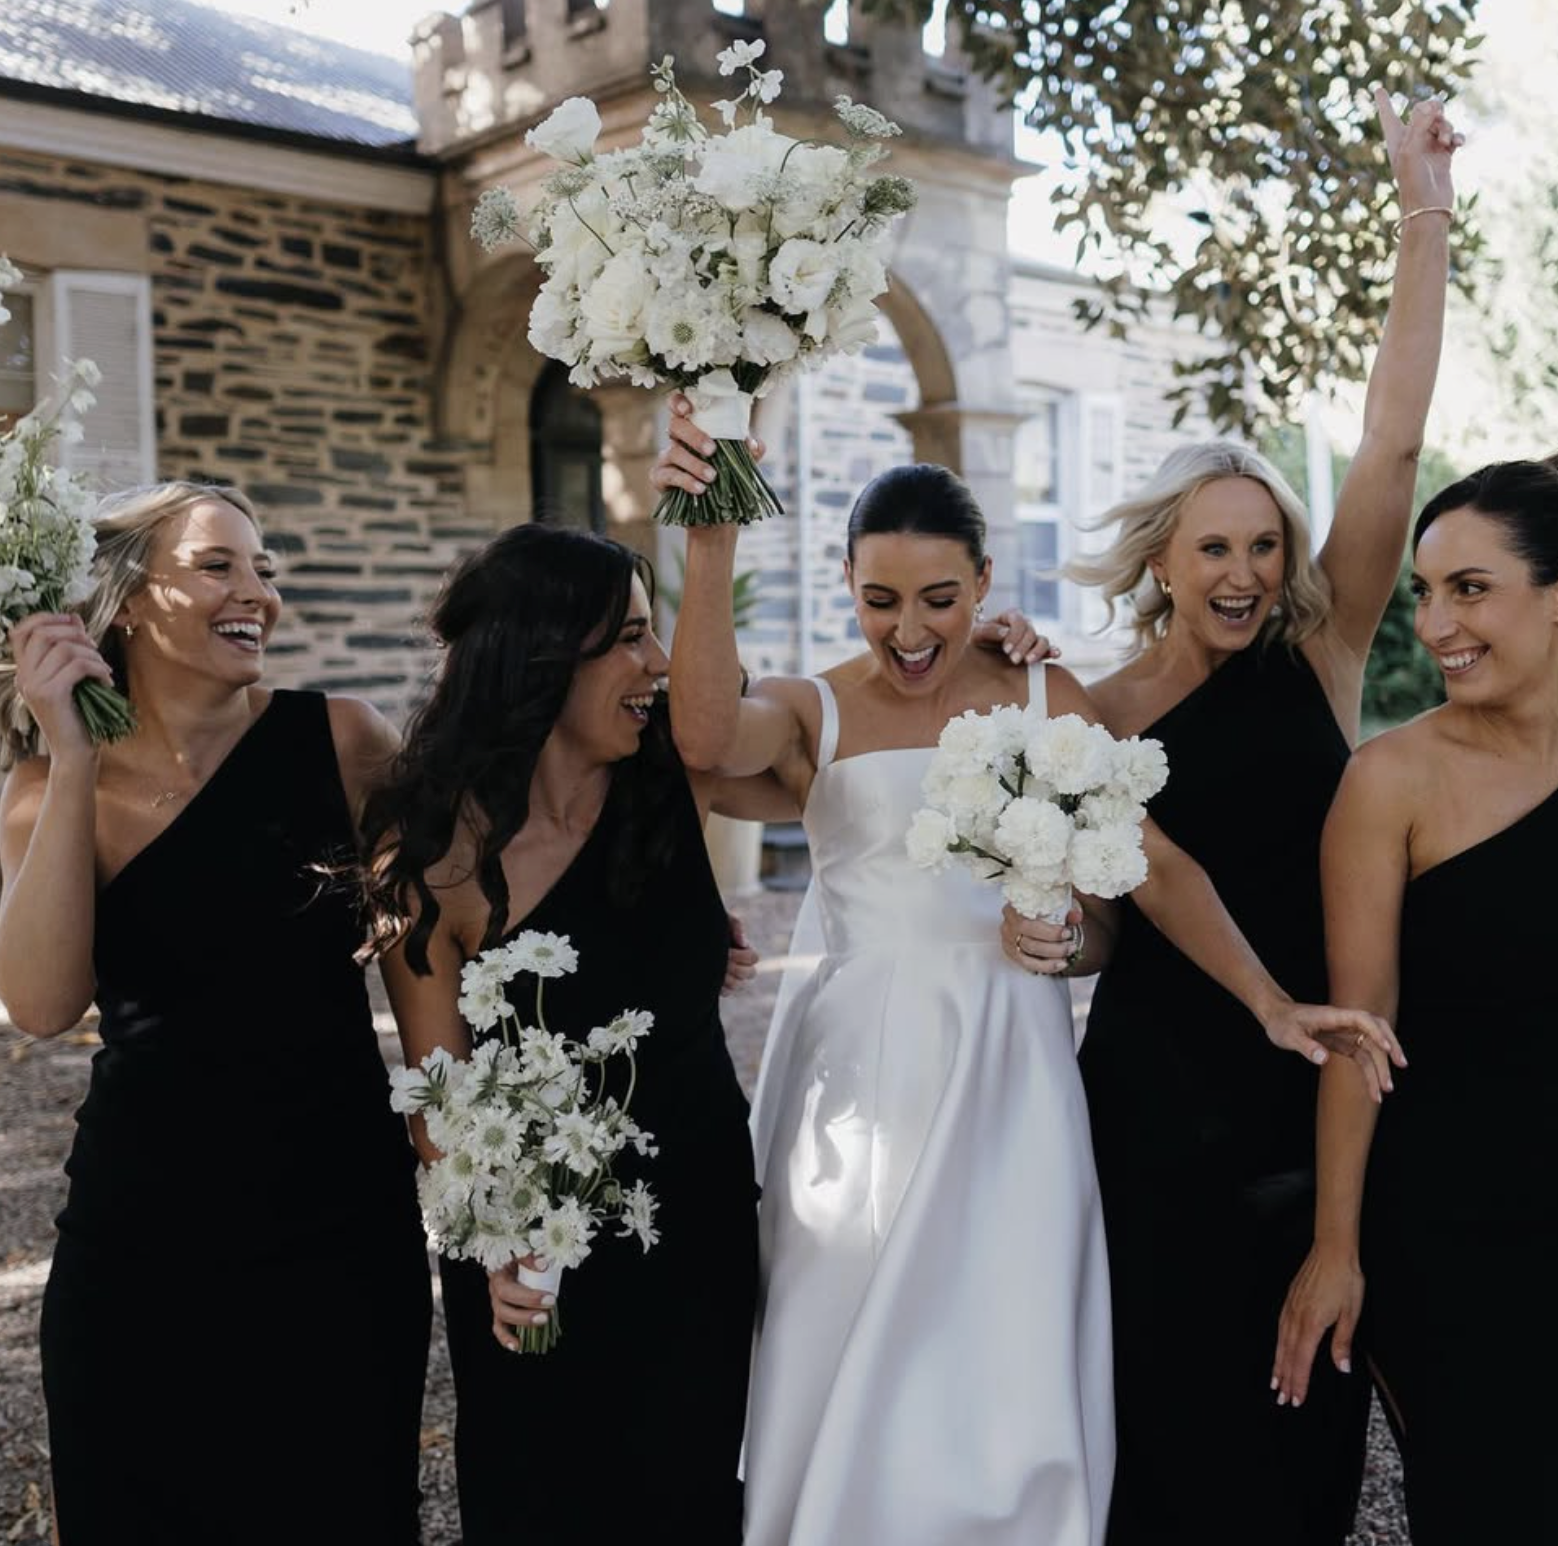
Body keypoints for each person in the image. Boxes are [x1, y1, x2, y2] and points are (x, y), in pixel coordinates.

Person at [650, 419, 1386, 1546]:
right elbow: (700, 740)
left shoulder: (1047, 701)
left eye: (940, 597)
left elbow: (1151, 868)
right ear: (845, 582)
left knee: (1012, 1343)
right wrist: (711, 544)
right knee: (838, 1319)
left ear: (985, 581)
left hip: (1014, 1072)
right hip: (860, 1070)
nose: (910, 629)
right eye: (880, 598)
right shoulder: (814, 708)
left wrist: (1266, 998)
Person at [1004, 86, 1461, 1545]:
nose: (1249, 569)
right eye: (1218, 546)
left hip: (1319, 1070)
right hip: (1156, 1092)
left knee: (1303, 1407)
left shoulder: (1323, 659)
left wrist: (1421, 206)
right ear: (1165, 558)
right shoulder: (1098, 705)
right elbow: (1097, 906)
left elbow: (1390, 444)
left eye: (1266, 543)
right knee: (1159, 1410)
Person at [1273, 451, 1558, 1546]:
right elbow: (1355, 1031)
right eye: (1426, 591)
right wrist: (1338, 1246)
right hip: (1445, 1237)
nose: (1432, 623)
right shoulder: (1390, 782)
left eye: (1469, 588)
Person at [0, 482, 429, 1544]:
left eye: (265, 569)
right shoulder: (42, 787)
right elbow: (45, 1004)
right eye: (219, 565)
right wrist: (75, 751)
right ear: (129, 602)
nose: (258, 594)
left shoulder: (343, 738)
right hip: (141, 1237)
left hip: (337, 1227)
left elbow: (445, 937)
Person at [365, 523, 787, 1545]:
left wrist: (993, 660)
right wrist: (506, 1248)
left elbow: (853, 756)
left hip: (696, 1216)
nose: (655, 666)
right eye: (631, 638)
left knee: (692, 1493)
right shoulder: (433, 852)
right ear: (543, 653)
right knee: (542, 1500)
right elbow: (438, 1099)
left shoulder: (676, 779)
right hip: (532, 1253)